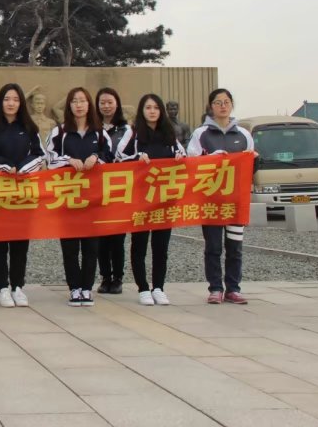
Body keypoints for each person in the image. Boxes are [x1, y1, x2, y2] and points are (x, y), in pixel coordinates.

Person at [0, 83, 45, 308]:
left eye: (15, 99)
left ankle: (17, 287)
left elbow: (39, 155)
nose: (11, 103)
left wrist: (23, 168)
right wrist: (5, 166)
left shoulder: (29, 127)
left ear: (21, 102)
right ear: (0, 102)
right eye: (7, 99)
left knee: (20, 243)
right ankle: (3, 287)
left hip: (22, 194)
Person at [117, 94, 186, 306]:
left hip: (164, 199)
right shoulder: (133, 132)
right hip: (141, 199)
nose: (152, 111)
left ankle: (158, 287)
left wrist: (179, 158)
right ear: (142, 110)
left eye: (156, 107)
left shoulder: (169, 133)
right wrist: (136, 158)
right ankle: (143, 288)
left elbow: (183, 155)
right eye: (148, 107)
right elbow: (119, 157)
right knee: (139, 245)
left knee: (161, 247)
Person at [187, 88, 255, 305]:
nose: (223, 106)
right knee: (213, 247)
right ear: (211, 106)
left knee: (235, 247)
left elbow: (250, 167)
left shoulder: (244, 135)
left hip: (235, 202)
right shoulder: (201, 134)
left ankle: (233, 288)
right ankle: (215, 288)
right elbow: (191, 164)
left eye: (226, 102)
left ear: (232, 105)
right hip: (211, 201)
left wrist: (254, 160)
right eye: (218, 102)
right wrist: (210, 159)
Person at [47, 87, 112, 307]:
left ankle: (87, 288)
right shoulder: (59, 132)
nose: (79, 105)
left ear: (89, 104)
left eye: (83, 100)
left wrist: (96, 157)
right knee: (70, 247)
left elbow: (111, 157)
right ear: (69, 105)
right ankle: (74, 287)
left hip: (93, 199)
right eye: (74, 101)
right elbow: (49, 158)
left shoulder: (100, 133)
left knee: (91, 247)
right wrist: (67, 160)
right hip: (68, 199)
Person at [95, 87, 131, 296]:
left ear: (117, 104)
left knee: (117, 237)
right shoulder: (93, 128)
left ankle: (117, 277)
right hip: (97, 190)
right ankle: (105, 277)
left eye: (110, 102)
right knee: (100, 236)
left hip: (119, 189)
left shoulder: (127, 131)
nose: (106, 106)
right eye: (102, 103)